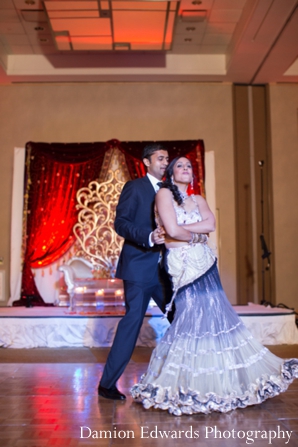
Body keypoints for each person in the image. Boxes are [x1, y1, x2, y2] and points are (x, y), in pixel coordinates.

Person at [131, 156, 298, 415]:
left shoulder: (198, 200)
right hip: (183, 265)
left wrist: (183, 231)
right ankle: (188, 385)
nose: (186, 169)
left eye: (189, 166)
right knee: (191, 319)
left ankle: (220, 384)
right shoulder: (164, 194)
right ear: (171, 173)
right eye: (180, 166)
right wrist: (195, 234)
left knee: (215, 318)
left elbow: (209, 224)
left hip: (205, 263)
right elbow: (172, 229)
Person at [98, 144, 172, 400]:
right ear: (146, 162)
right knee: (132, 323)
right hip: (139, 266)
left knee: (183, 317)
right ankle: (107, 384)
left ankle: (192, 375)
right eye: (160, 158)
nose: (165, 162)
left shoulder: (170, 191)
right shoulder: (135, 187)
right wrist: (149, 236)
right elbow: (121, 223)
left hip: (166, 270)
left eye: (167, 159)